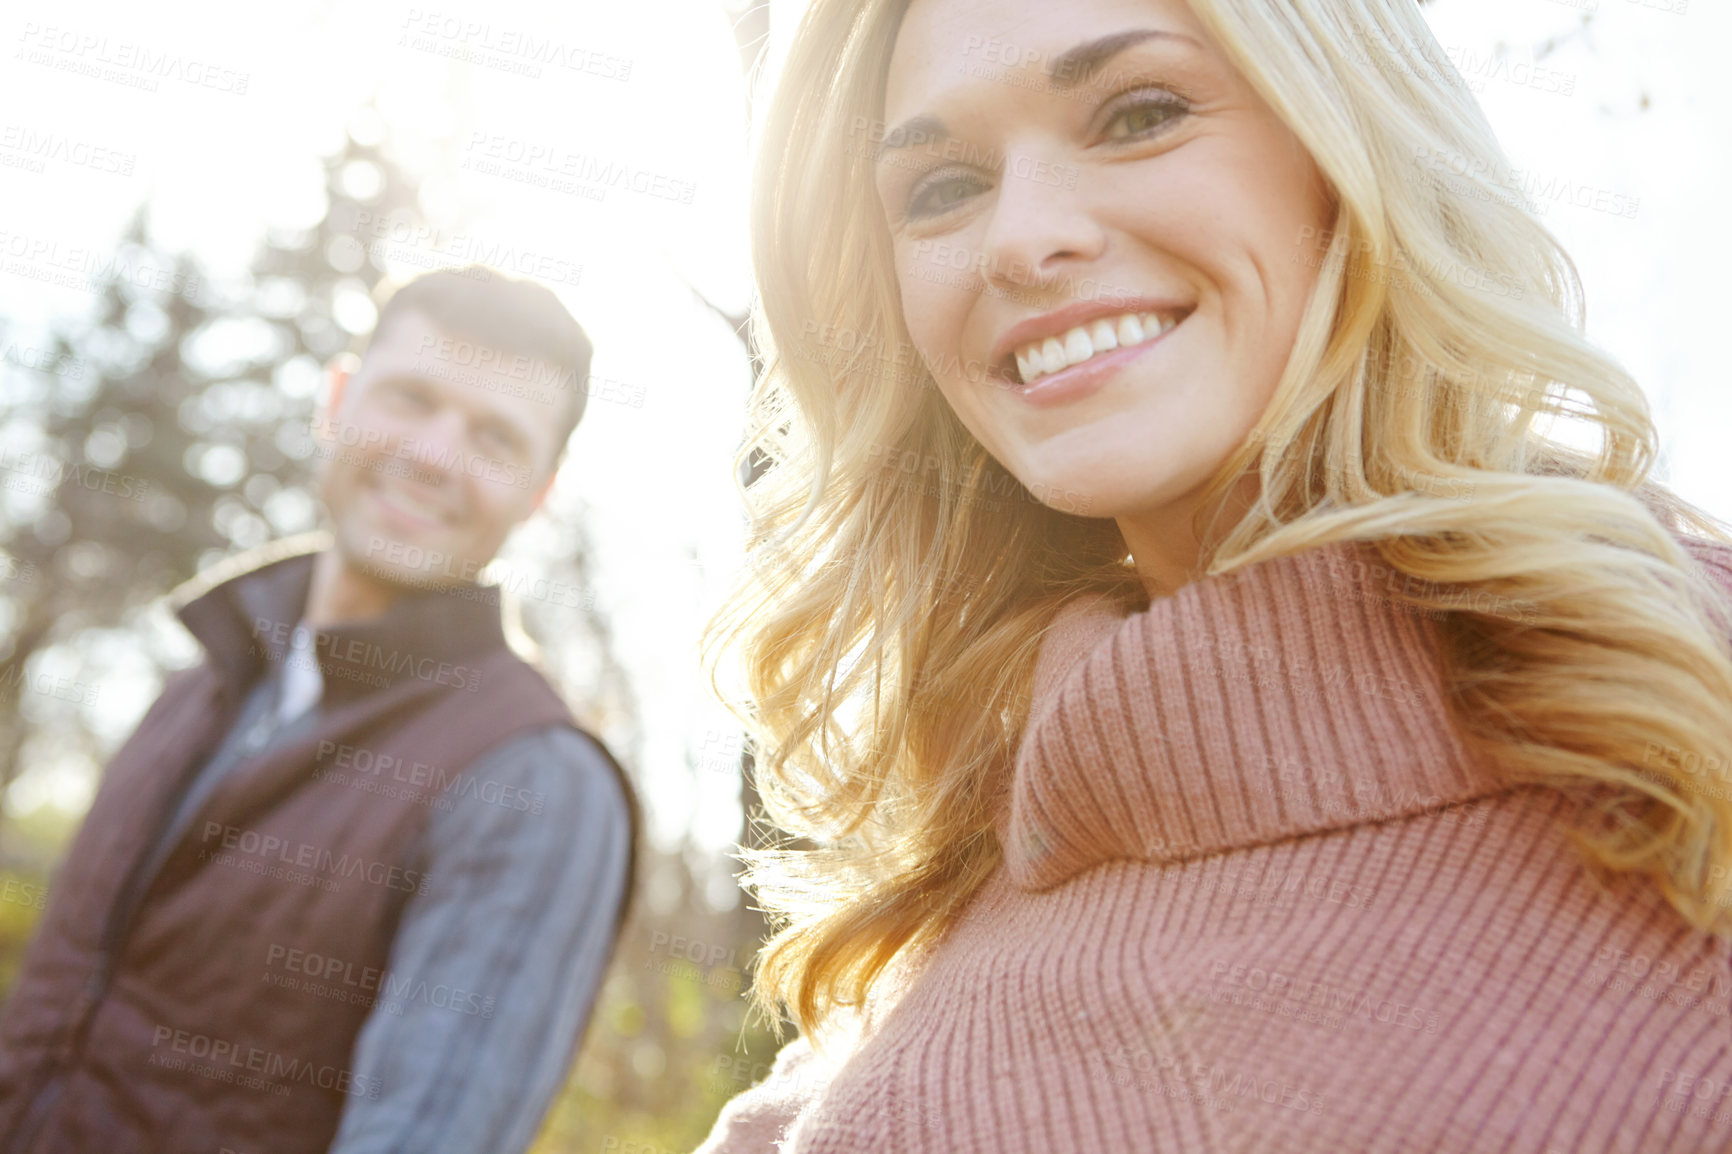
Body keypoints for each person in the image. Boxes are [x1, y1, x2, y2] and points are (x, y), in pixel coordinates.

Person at [696, 0, 1732, 1150]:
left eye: (1138, 115)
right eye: (941, 188)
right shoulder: (933, 916)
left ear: (1342, 151)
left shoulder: (1691, 688)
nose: (1020, 239)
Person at [0, 266, 638, 1154]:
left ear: (539, 494)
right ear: (337, 399)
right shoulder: (200, 687)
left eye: (494, 438)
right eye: (411, 398)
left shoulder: (536, 785)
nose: (435, 456)